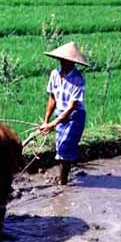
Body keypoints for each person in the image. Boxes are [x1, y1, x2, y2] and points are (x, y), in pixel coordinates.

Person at [39, 42, 89, 185]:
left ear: (72, 62)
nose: (62, 61)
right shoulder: (54, 74)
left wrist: (53, 124)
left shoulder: (78, 79)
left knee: (64, 148)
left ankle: (63, 184)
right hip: (59, 115)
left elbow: (72, 106)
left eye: (66, 60)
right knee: (59, 147)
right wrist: (46, 121)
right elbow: (52, 98)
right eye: (61, 59)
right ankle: (64, 179)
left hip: (74, 117)